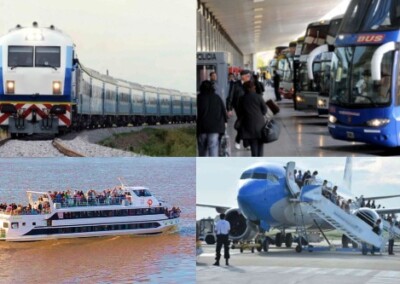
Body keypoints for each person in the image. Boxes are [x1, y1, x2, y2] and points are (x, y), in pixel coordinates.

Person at [197, 80, 227, 156]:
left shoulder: (199, 98)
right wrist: (225, 122)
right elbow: (223, 111)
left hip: (202, 128)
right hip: (215, 128)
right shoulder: (217, 98)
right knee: (213, 147)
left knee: (202, 149)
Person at [237, 81, 267, 157]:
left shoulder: (242, 99)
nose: (255, 87)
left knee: (253, 146)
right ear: (251, 88)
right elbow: (265, 110)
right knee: (260, 145)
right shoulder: (258, 97)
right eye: (253, 86)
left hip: (248, 125)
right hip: (260, 125)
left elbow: (239, 112)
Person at [226, 70, 251, 150]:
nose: (249, 78)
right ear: (242, 76)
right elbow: (230, 96)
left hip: (248, 106)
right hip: (239, 107)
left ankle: (241, 141)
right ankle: (243, 143)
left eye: (249, 76)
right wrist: (229, 108)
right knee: (244, 123)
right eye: (247, 76)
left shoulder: (250, 84)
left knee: (245, 124)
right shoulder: (235, 84)